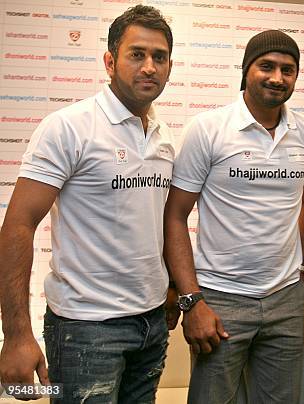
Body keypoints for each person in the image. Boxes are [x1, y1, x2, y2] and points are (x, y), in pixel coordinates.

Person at [0, 4, 176, 403]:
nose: (149, 66)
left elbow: (157, 222)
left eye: (159, 57)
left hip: (151, 324)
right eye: (137, 54)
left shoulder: (164, 134)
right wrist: (16, 334)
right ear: (110, 62)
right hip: (85, 330)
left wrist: (170, 288)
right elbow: (18, 225)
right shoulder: (68, 127)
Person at [163, 30, 304, 404]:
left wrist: (294, 264)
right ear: (246, 70)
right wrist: (191, 300)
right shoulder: (208, 129)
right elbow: (174, 216)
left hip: (284, 299)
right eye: (266, 66)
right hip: (220, 298)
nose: (277, 77)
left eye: (288, 69)